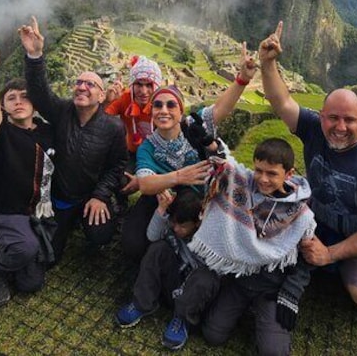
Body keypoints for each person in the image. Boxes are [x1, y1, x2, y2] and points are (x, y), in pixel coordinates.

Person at [259, 21, 357, 313]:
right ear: (321, 116)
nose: (340, 127)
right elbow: (281, 101)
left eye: (349, 120)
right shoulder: (314, 129)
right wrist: (267, 63)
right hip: (319, 219)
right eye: (333, 118)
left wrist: (329, 254)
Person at [120, 43, 258, 263]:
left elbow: (222, 108)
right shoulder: (149, 146)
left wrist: (242, 79)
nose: (164, 110)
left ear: (180, 110)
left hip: (199, 200)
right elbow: (145, 183)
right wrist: (178, 177)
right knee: (132, 244)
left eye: (170, 105)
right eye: (158, 106)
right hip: (162, 197)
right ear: (152, 112)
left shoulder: (194, 126)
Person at [18, 16, 128, 262]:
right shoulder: (61, 112)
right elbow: (39, 93)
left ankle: (97, 215)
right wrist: (35, 56)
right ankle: (65, 224)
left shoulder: (113, 127)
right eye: (79, 82)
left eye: (90, 84)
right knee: (49, 257)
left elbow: (117, 165)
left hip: (91, 194)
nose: (82, 86)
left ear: (102, 96)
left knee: (101, 234)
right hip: (62, 198)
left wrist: (100, 196)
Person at [194, 138, 315, 356]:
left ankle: (263, 316)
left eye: (272, 173)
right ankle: (239, 307)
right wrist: (212, 147)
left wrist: (291, 293)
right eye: (259, 170)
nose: (263, 179)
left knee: (274, 352)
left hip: (272, 289)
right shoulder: (245, 186)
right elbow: (226, 166)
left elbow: (306, 260)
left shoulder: (302, 214)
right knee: (212, 334)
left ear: (288, 174)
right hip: (240, 281)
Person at [0, 36, 56, 307]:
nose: (18, 102)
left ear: (35, 104)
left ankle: (14, 253)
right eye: (11, 98)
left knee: (31, 284)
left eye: (25, 97)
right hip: (7, 211)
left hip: (39, 213)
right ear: (4, 105)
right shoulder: (1, 133)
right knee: (23, 249)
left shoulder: (47, 132)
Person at [115, 188, 219, 350]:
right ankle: (142, 303)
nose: (176, 229)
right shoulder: (173, 225)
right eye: (174, 223)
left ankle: (182, 320)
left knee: (205, 276)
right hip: (173, 281)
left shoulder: (209, 237)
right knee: (158, 248)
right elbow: (152, 236)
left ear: (198, 222)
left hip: (192, 294)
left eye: (183, 226)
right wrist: (162, 209)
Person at [104, 55, 163, 213]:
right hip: (131, 152)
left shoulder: (162, 103)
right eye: (138, 84)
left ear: (156, 85)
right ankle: (121, 202)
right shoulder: (124, 99)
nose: (144, 91)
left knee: (156, 186)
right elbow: (102, 118)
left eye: (149, 85)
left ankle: (155, 206)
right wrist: (107, 100)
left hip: (157, 153)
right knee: (121, 179)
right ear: (132, 84)